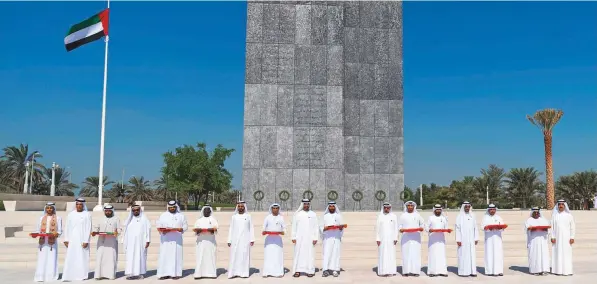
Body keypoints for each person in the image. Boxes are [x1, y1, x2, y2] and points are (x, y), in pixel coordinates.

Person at [62, 198, 92, 281]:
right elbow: (67, 227)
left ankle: (82, 275)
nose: (79, 206)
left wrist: (86, 240)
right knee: (71, 256)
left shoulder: (87, 215)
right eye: (77, 204)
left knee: (82, 257)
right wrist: (66, 239)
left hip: (82, 240)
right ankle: (70, 274)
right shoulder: (71, 214)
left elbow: (88, 228)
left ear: (83, 206)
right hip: (72, 240)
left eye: (80, 205)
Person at [156, 200, 188, 280]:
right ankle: (164, 274)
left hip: (177, 240)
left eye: (174, 207)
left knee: (176, 256)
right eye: (170, 207)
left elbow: (185, 226)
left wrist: (181, 229)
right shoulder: (163, 215)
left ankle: (175, 274)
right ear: (168, 207)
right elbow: (158, 225)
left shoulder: (181, 216)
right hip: (166, 239)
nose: (172, 209)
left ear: (176, 207)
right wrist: (162, 230)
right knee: (164, 256)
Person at [34, 202, 62, 282]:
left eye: (51, 208)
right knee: (42, 258)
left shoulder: (58, 218)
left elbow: (59, 231)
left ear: (53, 209)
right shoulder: (41, 218)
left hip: (52, 241)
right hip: (43, 241)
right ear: (45, 209)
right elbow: (37, 229)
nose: (49, 209)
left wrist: (56, 234)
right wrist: (35, 234)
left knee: (52, 258)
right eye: (48, 208)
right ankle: (40, 276)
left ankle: (50, 276)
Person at [123, 204, 151, 280]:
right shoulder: (129, 220)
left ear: (140, 210)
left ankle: (139, 273)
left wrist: (148, 240)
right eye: (134, 210)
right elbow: (125, 231)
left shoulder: (144, 219)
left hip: (141, 243)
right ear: (132, 211)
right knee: (130, 257)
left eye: (137, 210)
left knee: (140, 257)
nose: (135, 211)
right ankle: (131, 273)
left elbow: (148, 230)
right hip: (130, 243)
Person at [227, 201, 255, 279]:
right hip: (235, 240)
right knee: (234, 256)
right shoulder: (234, 217)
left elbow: (251, 228)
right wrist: (229, 240)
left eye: (242, 206)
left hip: (245, 240)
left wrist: (252, 239)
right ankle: (233, 273)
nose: (240, 208)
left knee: (244, 256)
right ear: (237, 207)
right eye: (239, 206)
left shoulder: (248, 216)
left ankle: (244, 273)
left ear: (244, 207)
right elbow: (231, 228)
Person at [291, 199, 319, 278]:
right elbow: (294, 226)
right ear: (302, 205)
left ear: (309, 205)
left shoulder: (313, 214)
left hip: (310, 238)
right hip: (299, 238)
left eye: (308, 204)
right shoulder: (297, 214)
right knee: (298, 253)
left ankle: (309, 270)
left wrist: (315, 238)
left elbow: (316, 227)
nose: (306, 205)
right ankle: (297, 270)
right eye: (305, 204)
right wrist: (293, 237)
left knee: (309, 254)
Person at [92, 204, 120, 280]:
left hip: (111, 242)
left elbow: (119, 229)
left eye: (109, 211)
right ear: (104, 211)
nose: (107, 212)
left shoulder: (116, 219)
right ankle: (99, 275)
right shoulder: (100, 219)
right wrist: (94, 232)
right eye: (106, 211)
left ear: (112, 211)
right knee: (100, 257)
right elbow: (96, 228)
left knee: (111, 257)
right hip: (101, 241)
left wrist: (116, 232)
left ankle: (110, 275)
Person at [398, 201, 425, 277]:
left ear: (414, 207)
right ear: (406, 207)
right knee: (406, 254)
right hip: (405, 237)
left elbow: (422, 224)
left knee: (415, 254)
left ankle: (415, 271)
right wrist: (400, 229)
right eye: (408, 206)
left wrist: (421, 228)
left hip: (416, 237)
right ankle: (406, 271)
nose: (410, 207)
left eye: (411, 206)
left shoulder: (417, 215)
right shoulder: (403, 215)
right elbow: (399, 225)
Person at [193, 204, 219, 279]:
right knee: (200, 256)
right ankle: (199, 274)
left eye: (208, 210)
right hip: (201, 242)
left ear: (210, 211)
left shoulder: (213, 219)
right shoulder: (199, 220)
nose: (206, 212)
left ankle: (211, 274)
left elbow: (215, 229)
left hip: (210, 242)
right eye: (205, 210)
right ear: (203, 211)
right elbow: (196, 230)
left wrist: (212, 230)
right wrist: (199, 231)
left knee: (210, 257)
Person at [550, 199, 575, 276]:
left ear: (564, 206)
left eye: (562, 204)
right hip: (557, 239)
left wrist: (572, 237)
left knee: (567, 254)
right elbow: (552, 227)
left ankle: (567, 271)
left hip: (567, 239)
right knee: (557, 253)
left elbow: (572, 227)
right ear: (557, 206)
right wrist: (552, 237)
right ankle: (558, 271)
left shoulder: (569, 216)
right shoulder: (554, 216)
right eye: (559, 204)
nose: (560, 206)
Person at [262, 203, 286, 278]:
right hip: (269, 239)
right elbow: (263, 228)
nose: (275, 210)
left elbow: (284, 229)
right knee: (269, 255)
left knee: (277, 255)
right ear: (271, 209)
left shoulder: (281, 218)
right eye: (274, 208)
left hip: (278, 239)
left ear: (278, 209)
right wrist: (264, 231)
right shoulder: (267, 217)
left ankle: (278, 272)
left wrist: (282, 232)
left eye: (276, 208)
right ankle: (267, 272)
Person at [455, 201, 478, 277]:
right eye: (466, 207)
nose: (467, 208)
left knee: (471, 255)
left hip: (471, 240)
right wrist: (458, 239)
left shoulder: (473, 215)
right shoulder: (459, 216)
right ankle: (463, 272)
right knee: (463, 255)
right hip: (463, 240)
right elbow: (457, 229)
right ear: (463, 207)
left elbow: (475, 227)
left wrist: (476, 238)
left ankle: (472, 271)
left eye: (468, 207)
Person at [320, 201, 344, 277]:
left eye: (333, 206)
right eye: (330, 206)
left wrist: (340, 228)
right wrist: (324, 229)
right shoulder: (325, 216)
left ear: (335, 207)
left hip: (336, 238)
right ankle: (325, 270)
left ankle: (335, 270)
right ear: (328, 207)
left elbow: (342, 227)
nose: (331, 208)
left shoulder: (338, 216)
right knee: (326, 254)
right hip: (327, 238)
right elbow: (320, 227)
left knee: (335, 254)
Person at [524, 207, 550, 275]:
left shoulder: (543, 220)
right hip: (533, 241)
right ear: (532, 213)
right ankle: (535, 270)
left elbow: (548, 229)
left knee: (543, 255)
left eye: (537, 212)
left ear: (539, 213)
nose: (536, 214)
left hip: (542, 241)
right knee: (534, 254)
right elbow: (527, 229)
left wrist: (545, 229)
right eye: (534, 213)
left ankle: (544, 269)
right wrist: (531, 229)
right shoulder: (529, 220)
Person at [375, 202, 398, 277]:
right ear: (383, 208)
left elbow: (396, 228)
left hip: (391, 239)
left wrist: (395, 238)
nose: (386, 209)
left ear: (390, 208)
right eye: (385, 208)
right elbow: (377, 228)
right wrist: (377, 238)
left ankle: (391, 271)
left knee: (391, 254)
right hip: (382, 239)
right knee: (382, 254)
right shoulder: (380, 216)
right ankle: (382, 271)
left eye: (388, 208)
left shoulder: (394, 216)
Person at [481, 204, 504, 276]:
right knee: (489, 254)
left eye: (494, 209)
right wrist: (489, 228)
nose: (492, 211)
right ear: (488, 210)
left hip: (497, 239)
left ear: (495, 210)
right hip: (489, 239)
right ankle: (489, 271)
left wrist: (500, 228)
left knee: (498, 254)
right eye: (491, 209)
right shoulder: (485, 218)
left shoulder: (499, 217)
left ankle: (499, 270)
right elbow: (482, 227)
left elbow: (503, 227)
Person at [426, 204, 449, 277]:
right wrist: (430, 229)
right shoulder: (430, 218)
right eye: (437, 209)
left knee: (441, 255)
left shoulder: (444, 218)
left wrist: (447, 230)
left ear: (441, 210)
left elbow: (446, 227)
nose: (438, 211)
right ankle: (432, 272)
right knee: (433, 255)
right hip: (433, 239)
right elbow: (426, 227)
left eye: (439, 209)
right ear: (434, 210)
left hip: (441, 240)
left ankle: (442, 271)